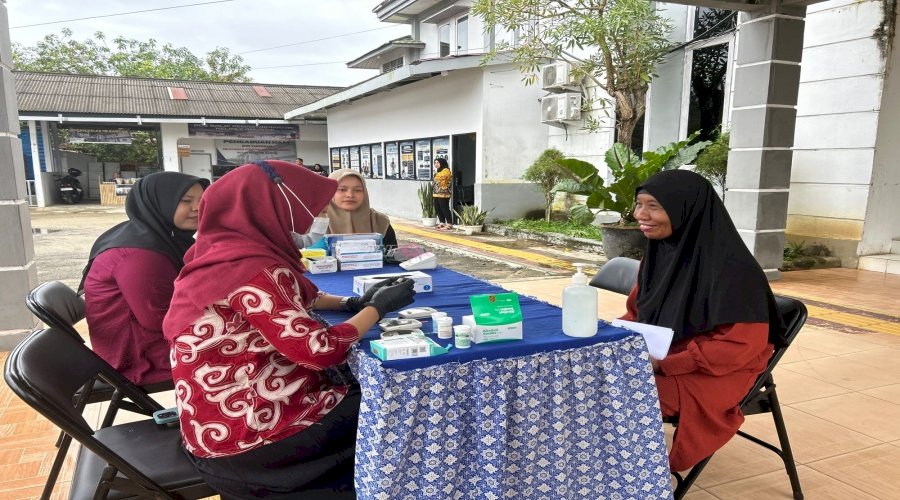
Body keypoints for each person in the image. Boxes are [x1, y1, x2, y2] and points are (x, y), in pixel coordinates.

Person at [163, 159, 416, 499]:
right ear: (271, 209)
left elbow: (292, 295)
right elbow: (319, 350)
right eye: (305, 210)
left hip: (211, 425)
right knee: (393, 402)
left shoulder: (219, 252)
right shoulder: (254, 269)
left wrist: (348, 304)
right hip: (250, 442)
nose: (312, 221)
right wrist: (377, 308)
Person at [619, 169, 784, 472]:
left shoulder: (734, 272)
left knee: (612, 396)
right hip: (662, 357)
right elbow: (635, 312)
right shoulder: (658, 255)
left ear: (686, 208)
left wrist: (665, 364)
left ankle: (624, 476)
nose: (640, 214)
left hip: (716, 371)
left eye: (654, 206)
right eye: (639, 204)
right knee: (585, 379)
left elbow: (738, 348)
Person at [80, 171, 209, 385]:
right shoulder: (140, 255)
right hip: (138, 358)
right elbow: (159, 319)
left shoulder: (151, 234)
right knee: (254, 353)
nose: (197, 208)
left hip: (142, 342)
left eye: (202, 200)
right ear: (159, 202)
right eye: (185, 201)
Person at [326, 168, 398, 248]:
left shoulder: (380, 222)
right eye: (342, 189)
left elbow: (394, 258)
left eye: (358, 190)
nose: (350, 195)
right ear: (330, 191)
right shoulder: (317, 222)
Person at [432, 158, 453, 229]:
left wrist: (436, 174)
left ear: (442, 163)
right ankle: (442, 222)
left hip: (444, 193)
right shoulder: (438, 171)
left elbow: (441, 176)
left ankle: (449, 223)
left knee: (444, 208)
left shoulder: (446, 170)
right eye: (435, 163)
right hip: (436, 192)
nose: (436, 164)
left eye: (438, 162)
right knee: (437, 207)